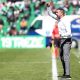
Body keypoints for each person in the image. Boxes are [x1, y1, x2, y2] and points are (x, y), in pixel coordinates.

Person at [47, 2, 72, 79]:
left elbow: (69, 33)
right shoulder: (59, 19)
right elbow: (50, 14)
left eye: (57, 12)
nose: (56, 13)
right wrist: (48, 7)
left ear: (61, 13)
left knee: (65, 57)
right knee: (61, 57)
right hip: (62, 40)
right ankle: (65, 73)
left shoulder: (65, 20)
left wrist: (62, 36)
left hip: (66, 40)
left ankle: (68, 75)